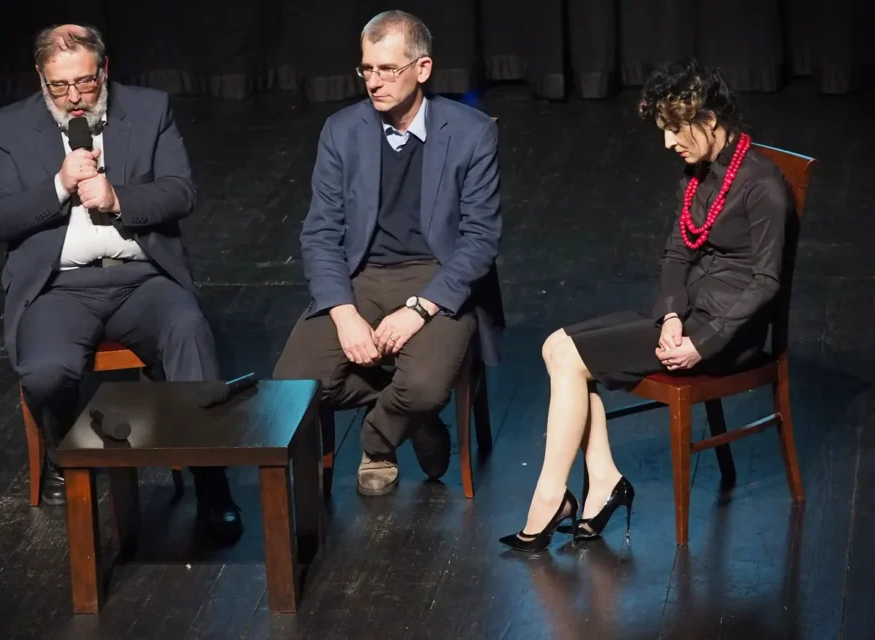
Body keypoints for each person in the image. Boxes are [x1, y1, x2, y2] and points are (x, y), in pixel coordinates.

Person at [500, 58, 794, 551]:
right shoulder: (697, 173)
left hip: (727, 336)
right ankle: (603, 482)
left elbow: (766, 283)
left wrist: (703, 342)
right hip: (688, 317)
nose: (667, 142)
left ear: (710, 121)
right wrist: (673, 314)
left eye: (675, 129)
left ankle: (551, 498)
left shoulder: (762, 185)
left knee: (568, 357)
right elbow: (677, 251)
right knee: (558, 346)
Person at [0, 24, 241, 540]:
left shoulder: (148, 110)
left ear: (104, 70)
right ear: (41, 78)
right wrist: (59, 186)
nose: (74, 98)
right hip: (60, 286)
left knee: (189, 334)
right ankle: (62, 451)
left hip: (143, 279)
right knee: (46, 372)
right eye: (59, 86)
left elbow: (179, 192)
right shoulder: (8, 127)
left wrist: (117, 198)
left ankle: (212, 481)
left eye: (84, 83)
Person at [273, 10, 504, 496]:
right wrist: (343, 313)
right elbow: (320, 232)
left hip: (436, 278)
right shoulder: (343, 130)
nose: (373, 83)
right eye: (367, 70)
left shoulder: (471, 132)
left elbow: (480, 239)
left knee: (421, 386)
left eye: (387, 70)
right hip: (361, 275)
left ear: (422, 69)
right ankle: (418, 417)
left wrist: (419, 310)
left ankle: (379, 440)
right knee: (294, 387)